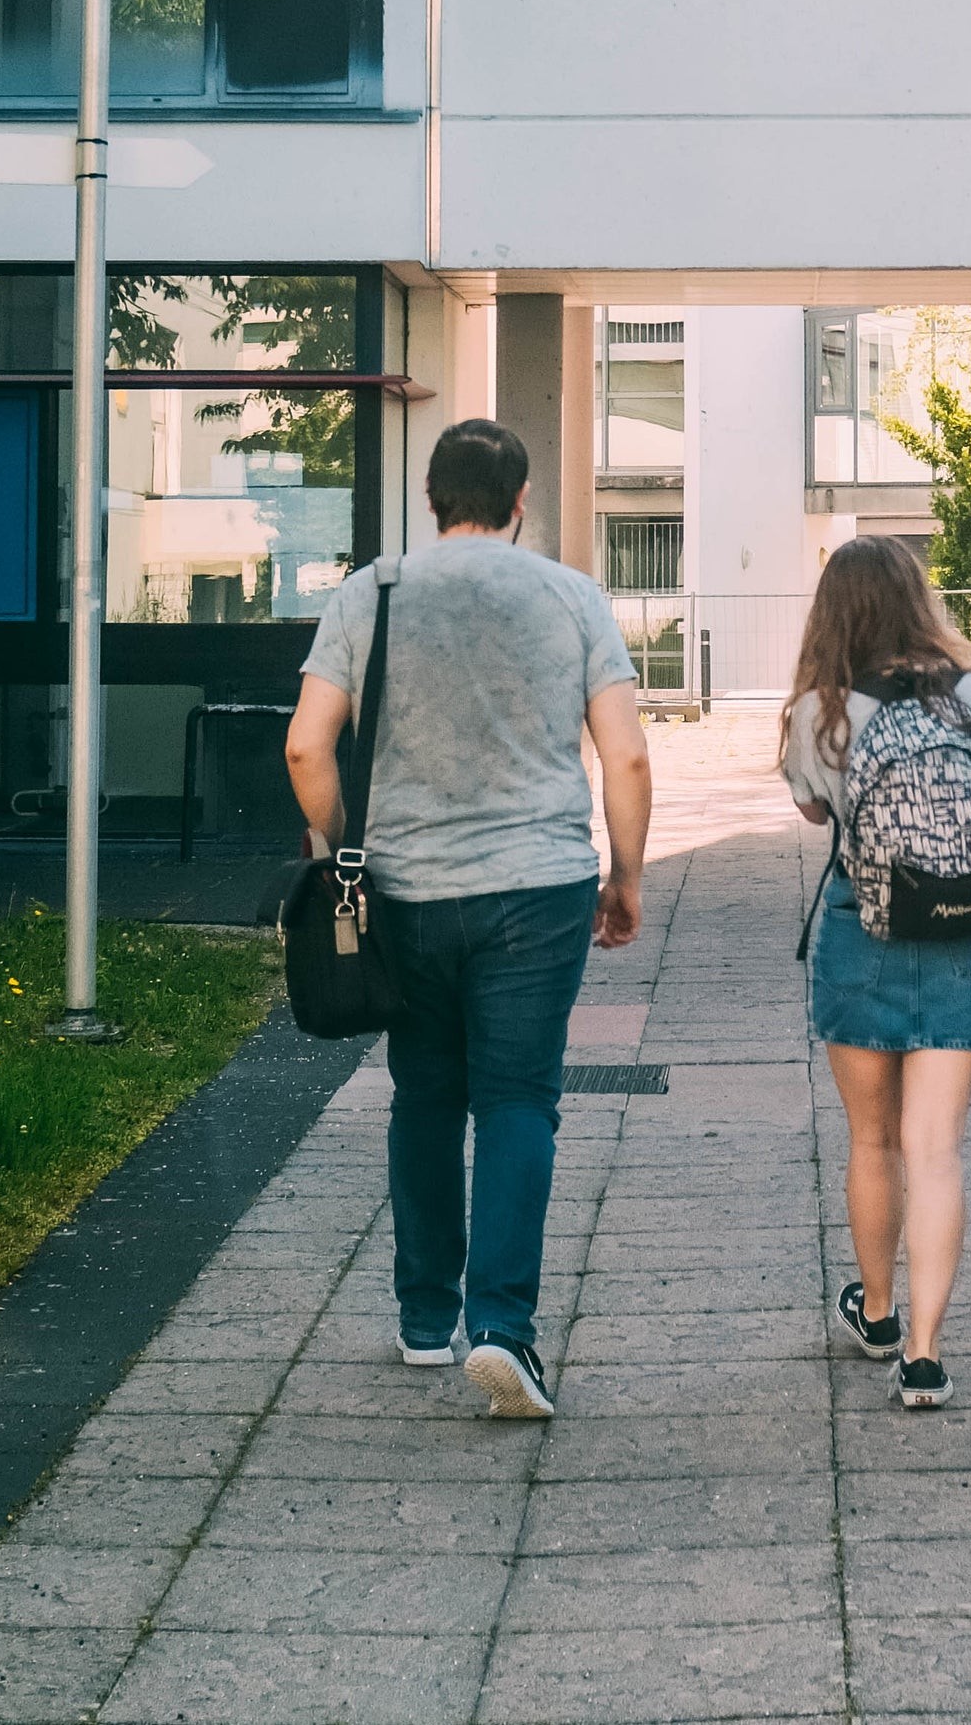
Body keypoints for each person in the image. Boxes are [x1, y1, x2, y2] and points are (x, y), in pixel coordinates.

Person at [285, 416, 652, 1421]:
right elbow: (623, 753)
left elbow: (306, 748)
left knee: (425, 1094)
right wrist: (625, 874)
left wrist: (337, 849)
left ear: (431, 496)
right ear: (521, 501)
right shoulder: (573, 595)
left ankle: (420, 1318)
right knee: (520, 1100)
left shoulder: (375, 592)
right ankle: (501, 1328)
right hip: (538, 889)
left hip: (404, 887)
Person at [780, 536, 971, 1409]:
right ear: (918, 599)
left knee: (871, 1140)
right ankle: (927, 1356)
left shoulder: (817, 711)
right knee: (934, 1148)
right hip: (965, 936)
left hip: (858, 931)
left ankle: (878, 1313)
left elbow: (812, 808)